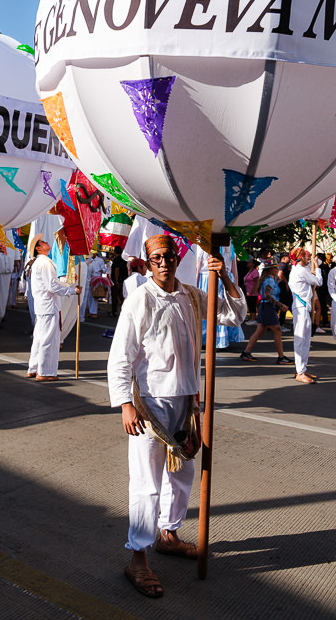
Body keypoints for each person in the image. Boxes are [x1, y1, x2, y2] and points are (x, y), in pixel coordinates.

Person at [108, 234, 246, 599]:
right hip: (150, 406)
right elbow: (121, 355)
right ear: (148, 262)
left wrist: (226, 276)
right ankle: (138, 556)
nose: (164, 263)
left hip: (187, 402)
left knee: (182, 475)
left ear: (178, 257)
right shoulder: (140, 299)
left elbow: (234, 314)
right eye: (156, 258)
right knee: (146, 484)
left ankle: (168, 533)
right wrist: (124, 402)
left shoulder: (192, 295)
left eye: (168, 256)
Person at [27, 233, 82, 381]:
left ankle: (34, 367)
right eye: (43, 242)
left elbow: (53, 283)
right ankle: (44, 372)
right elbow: (52, 286)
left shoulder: (42, 262)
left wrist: (69, 283)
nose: (46, 242)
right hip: (48, 305)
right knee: (48, 339)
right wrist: (71, 290)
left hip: (44, 305)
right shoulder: (44, 263)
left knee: (40, 338)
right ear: (39, 248)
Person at [240, 264, 291, 364]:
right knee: (277, 331)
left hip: (264, 307)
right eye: (275, 268)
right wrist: (280, 305)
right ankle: (281, 357)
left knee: (259, 331)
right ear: (271, 269)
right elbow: (267, 296)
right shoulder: (270, 280)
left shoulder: (268, 280)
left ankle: (246, 352)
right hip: (268, 308)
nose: (277, 269)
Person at [288, 248, 323, 384]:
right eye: (306, 257)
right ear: (301, 258)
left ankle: (302, 368)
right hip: (300, 307)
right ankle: (300, 371)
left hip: (303, 307)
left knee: (306, 339)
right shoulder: (300, 270)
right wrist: (317, 268)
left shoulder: (300, 269)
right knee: (301, 339)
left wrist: (313, 266)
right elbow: (318, 282)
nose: (309, 259)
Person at [79, 252, 106, 320]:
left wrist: (101, 270)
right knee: (87, 297)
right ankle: (88, 312)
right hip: (89, 280)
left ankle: (93, 312)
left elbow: (104, 270)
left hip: (96, 280)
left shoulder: (100, 260)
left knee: (94, 297)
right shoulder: (88, 262)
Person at [111, 245, 129, 316]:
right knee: (122, 296)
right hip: (123, 280)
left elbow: (116, 270)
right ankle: (124, 310)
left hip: (118, 281)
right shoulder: (124, 260)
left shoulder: (116, 259)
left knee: (115, 296)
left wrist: (116, 280)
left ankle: (114, 311)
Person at [276, 253, 292, 331]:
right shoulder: (283, 265)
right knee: (284, 305)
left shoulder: (280, 264)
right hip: (282, 287)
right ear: (284, 258)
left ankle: (274, 324)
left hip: (279, 287)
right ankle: (281, 324)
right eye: (289, 258)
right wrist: (286, 283)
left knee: (278, 305)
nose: (290, 260)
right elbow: (280, 274)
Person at [243, 258, 259, 325]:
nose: (248, 263)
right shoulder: (250, 271)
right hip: (248, 290)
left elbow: (256, 282)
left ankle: (254, 318)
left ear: (253, 264)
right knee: (250, 304)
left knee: (252, 305)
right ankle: (252, 317)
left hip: (252, 292)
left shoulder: (255, 271)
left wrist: (252, 291)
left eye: (250, 262)